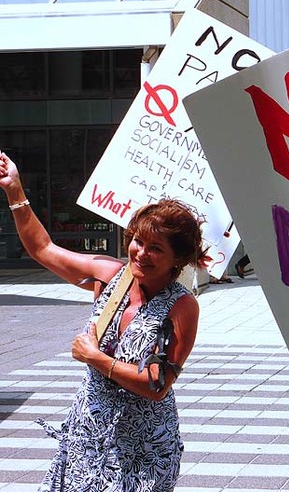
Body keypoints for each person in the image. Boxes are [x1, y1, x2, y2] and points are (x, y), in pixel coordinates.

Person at [0, 150, 206, 492]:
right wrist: (15, 191)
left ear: (178, 258)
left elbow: (156, 385)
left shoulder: (182, 307)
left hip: (142, 448)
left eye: (156, 248)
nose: (141, 253)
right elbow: (43, 249)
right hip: (89, 434)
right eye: (138, 241)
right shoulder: (110, 276)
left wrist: (96, 358)